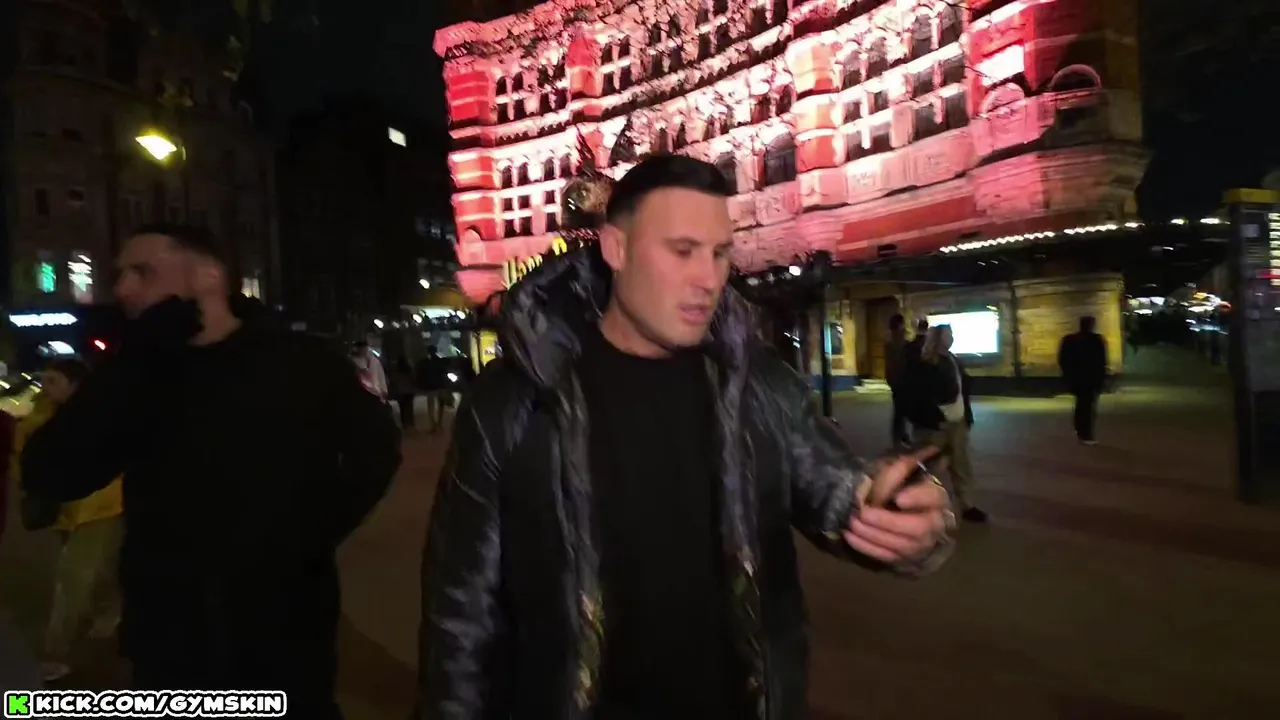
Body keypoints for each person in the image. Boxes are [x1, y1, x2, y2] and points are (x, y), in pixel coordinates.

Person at [416, 156, 956, 719]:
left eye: (720, 253)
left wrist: (907, 517)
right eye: (682, 251)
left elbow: (842, 493)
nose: (709, 278)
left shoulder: (759, 385)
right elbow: (461, 618)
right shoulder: (513, 401)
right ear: (616, 248)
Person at [20, 224, 401, 718]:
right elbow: (51, 472)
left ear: (208, 276)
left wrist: (308, 535)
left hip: (282, 632)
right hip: (169, 640)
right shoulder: (141, 373)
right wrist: (134, 362)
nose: (123, 289)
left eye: (142, 272)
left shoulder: (298, 361)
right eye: (120, 275)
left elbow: (375, 450)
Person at [11, 358, 124, 682]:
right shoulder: (38, 416)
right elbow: (23, 460)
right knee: (97, 570)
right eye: (44, 380)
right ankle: (110, 606)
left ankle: (54, 653)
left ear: (75, 385)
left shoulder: (102, 414)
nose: (46, 388)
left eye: (54, 381)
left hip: (100, 507)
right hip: (62, 509)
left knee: (72, 576)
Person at [905, 325, 986, 523]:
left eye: (952, 334)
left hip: (957, 420)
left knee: (960, 464)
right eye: (948, 334)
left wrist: (967, 416)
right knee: (929, 465)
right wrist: (932, 419)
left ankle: (967, 505)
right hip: (935, 424)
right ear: (938, 338)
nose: (951, 338)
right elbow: (917, 396)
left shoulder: (952, 360)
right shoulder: (925, 363)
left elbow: (962, 389)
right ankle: (917, 502)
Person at [1058, 315, 1108, 445]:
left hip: (1079, 379)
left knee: (1082, 404)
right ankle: (1086, 433)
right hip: (1090, 378)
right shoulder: (1096, 340)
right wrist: (1102, 378)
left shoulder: (1070, 340)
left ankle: (1081, 430)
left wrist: (1068, 376)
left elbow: (1063, 360)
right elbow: (1102, 361)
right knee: (1088, 406)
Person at [884, 313, 911, 448]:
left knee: (900, 410)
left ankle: (900, 435)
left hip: (896, 380)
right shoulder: (899, 343)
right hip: (901, 380)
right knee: (900, 410)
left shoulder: (890, 344)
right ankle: (898, 436)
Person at [413, 347, 449, 433]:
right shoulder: (440, 361)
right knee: (441, 404)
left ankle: (434, 424)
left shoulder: (424, 362)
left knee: (430, 405)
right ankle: (439, 422)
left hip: (430, 386)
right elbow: (444, 372)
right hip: (440, 385)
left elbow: (420, 373)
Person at [389, 354, 417, 430]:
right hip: (409, 390)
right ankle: (411, 421)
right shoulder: (409, 369)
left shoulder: (396, 370)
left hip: (400, 391)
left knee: (402, 407)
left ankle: (404, 422)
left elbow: (393, 381)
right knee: (410, 407)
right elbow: (413, 379)